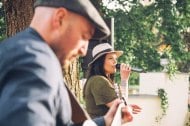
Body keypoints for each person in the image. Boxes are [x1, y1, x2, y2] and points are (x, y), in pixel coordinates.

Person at [0, 0, 134, 126]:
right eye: (84, 36)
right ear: (60, 18)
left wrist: (104, 121)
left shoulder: (22, 52)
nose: (84, 50)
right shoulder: (36, 62)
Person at [83, 43, 141, 119]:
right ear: (100, 62)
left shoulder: (100, 80)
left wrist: (128, 107)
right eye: (110, 58)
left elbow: (122, 104)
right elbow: (121, 110)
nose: (115, 62)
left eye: (115, 59)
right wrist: (124, 79)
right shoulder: (99, 80)